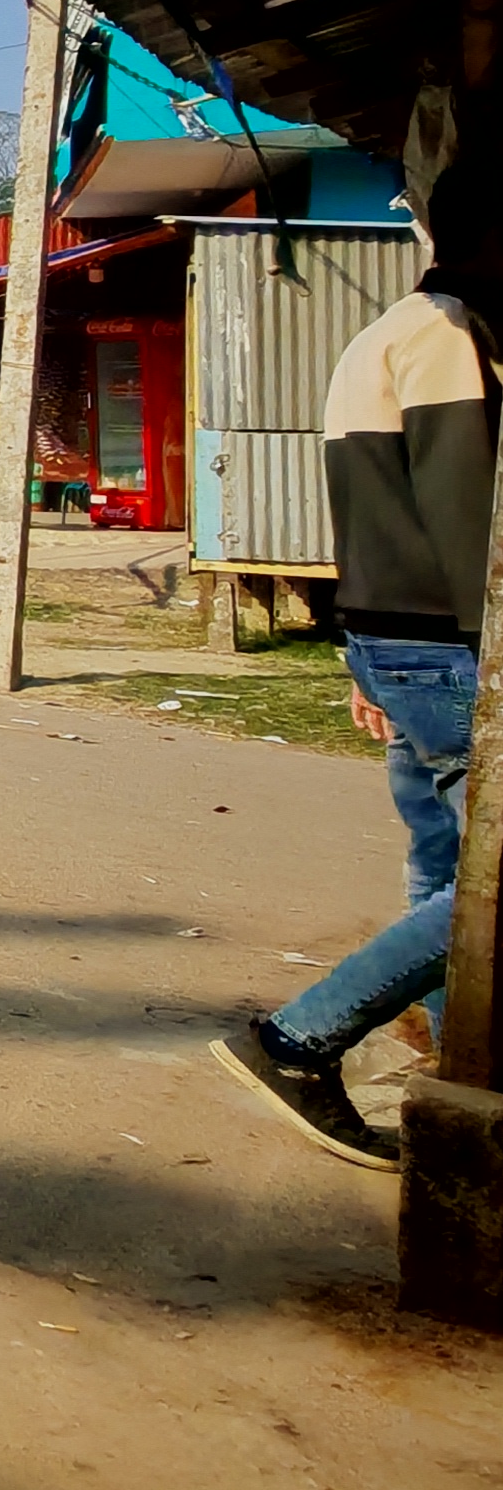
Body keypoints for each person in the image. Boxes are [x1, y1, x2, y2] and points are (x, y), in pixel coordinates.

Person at [212, 161, 503, 1167]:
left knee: (436, 857)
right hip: (444, 645)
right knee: (484, 887)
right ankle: (299, 1037)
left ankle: (443, 1045)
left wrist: (361, 661)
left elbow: (376, 515)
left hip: (389, 636)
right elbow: (468, 526)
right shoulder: (451, 336)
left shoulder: (382, 334)